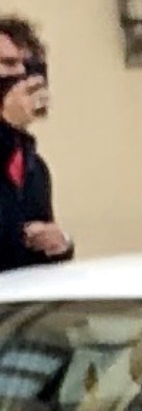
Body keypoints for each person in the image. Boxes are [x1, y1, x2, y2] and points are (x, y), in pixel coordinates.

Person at [0, 15, 72, 273]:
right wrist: (6, 126)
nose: (20, 76)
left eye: (26, 66)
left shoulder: (33, 166)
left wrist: (59, 245)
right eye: (8, 64)